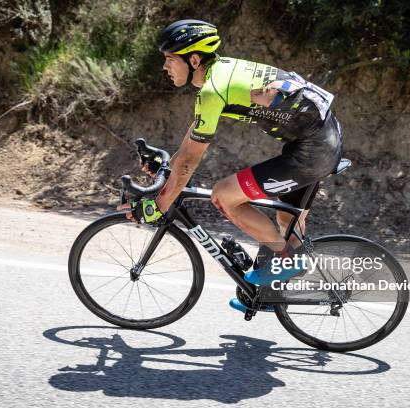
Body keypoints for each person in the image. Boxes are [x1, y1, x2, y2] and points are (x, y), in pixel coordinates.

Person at [125, 19, 343, 310]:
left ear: (193, 59)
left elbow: (190, 162)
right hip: (320, 137)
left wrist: (158, 207)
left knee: (224, 194)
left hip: (314, 149)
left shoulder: (213, 90)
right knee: (287, 223)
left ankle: (288, 262)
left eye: (169, 59)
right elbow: (190, 145)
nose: (165, 67)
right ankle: (270, 293)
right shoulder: (221, 72)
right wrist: (167, 165)